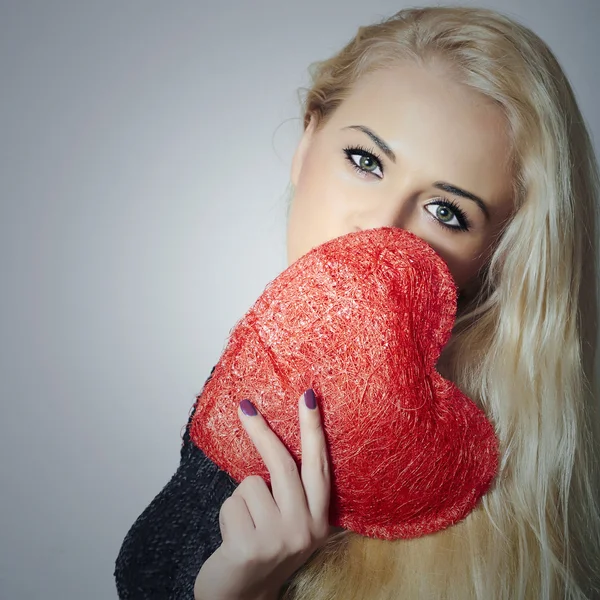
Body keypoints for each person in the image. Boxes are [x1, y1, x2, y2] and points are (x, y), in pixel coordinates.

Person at [114, 6, 600, 599]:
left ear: (496, 258)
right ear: (307, 141)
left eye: (447, 212)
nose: (380, 231)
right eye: (366, 162)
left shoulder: (484, 474)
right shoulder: (256, 378)